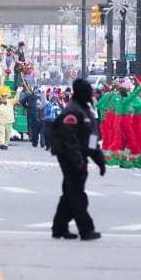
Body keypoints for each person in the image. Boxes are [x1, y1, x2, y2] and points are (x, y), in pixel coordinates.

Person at [49, 78, 106, 241]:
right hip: (70, 158)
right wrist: (78, 162)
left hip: (81, 157)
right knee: (77, 194)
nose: (91, 94)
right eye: (88, 91)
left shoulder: (86, 110)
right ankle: (86, 229)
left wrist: (99, 160)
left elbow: (92, 138)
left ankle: (59, 228)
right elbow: (69, 141)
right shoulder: (72, 112)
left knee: (69, 193)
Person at [0, 86, 15, 150]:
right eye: (2, 95)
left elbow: (16, 100)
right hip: (0, 120)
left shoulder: (10, 101)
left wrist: (18, 92)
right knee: (1, 132)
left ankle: (6, 143)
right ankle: (2, 143)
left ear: (7, 95)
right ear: (0, 96)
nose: (4, 97)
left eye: (5, 95)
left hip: (9, 120)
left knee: (8, 133)